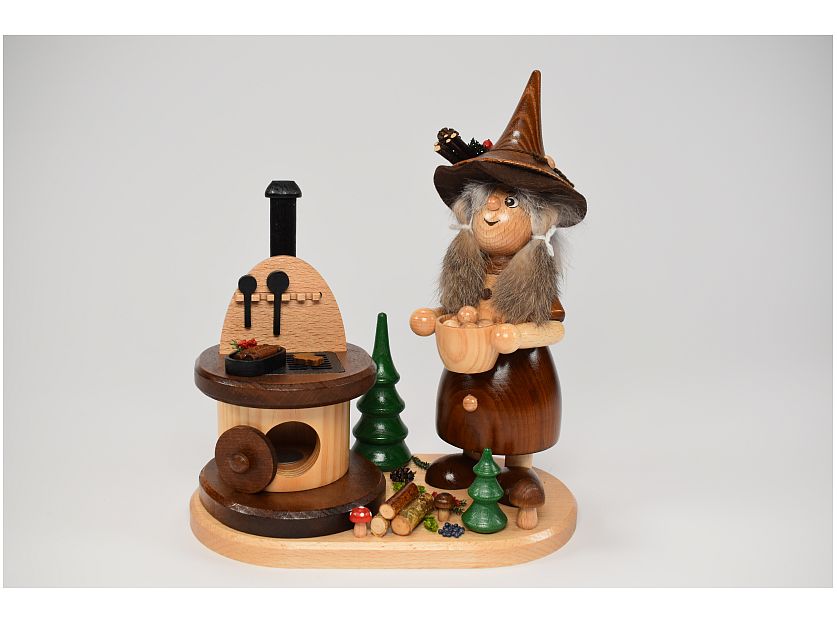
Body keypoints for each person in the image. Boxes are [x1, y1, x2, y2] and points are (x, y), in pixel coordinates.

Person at [410, 70, 587, 505]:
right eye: (485, 203)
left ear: (540, 219)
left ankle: (519, 469)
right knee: (469, 417)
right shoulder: (469, 268)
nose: (492, 213)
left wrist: (518, 335)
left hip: (519, 376)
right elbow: (456, 310)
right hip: (469, 369)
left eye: (509, 203)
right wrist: (433, 317)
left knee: (514, 425)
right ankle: (470, 458)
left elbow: (554, 327)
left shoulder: (534, 279)